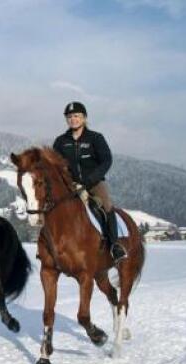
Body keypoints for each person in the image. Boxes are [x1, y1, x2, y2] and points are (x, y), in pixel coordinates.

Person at [53, 101, 128, 263]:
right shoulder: (60, 141)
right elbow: (55, 165)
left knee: (106, 206)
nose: (73, 119)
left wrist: (88, 180)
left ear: (84, 118)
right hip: (69, 186)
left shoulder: (96, 138)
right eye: (70, 117)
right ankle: (48, 247)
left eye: (77, 116)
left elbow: (106, 161)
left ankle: (114, 245)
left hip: (94, 184)